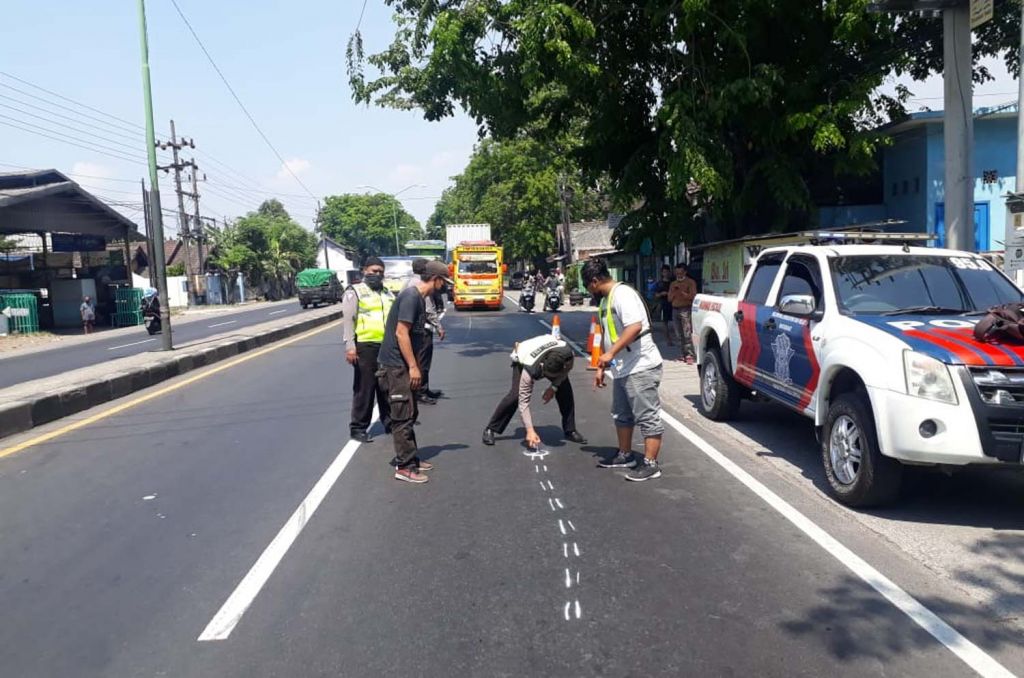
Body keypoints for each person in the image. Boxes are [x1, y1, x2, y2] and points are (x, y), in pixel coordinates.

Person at [583, 258, 665, 482]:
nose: (590, 291)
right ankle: (625, 455)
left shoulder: (623, 295)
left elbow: (635, 327)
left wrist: (610, 354)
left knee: (647, 415)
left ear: (596, 280)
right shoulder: (606, 300)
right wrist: (604, 364)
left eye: (589, 286)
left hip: (641, 364)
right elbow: (610, 335)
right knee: (621, 414)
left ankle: (650, 464)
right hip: (622, 367)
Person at [377, 260, 453, 484]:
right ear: (436, 280)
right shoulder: (411, 297)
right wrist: (412, 366)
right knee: (402, 415)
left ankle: (411, 458)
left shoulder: (419, 298)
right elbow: (401, 333)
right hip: (397, 365)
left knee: (411, 412)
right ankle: (404, 467)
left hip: (404, 365)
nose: (444, 287)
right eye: (443, 282)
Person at [482, 335, 588, 449]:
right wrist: (530, 430)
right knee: (516, 395)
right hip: (524, 354)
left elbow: (565, 371)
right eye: (547, 375)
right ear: (542, 366)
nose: (548, 377)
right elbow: (523, 403)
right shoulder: (530, 367)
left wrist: (553, 388)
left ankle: (570, 430)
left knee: (565, 389)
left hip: (549, 348)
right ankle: (490, 428)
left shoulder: (568, 355)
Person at [341, 256, 394, 443]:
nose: (377, 275)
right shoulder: (355, 291)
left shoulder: (387, 293)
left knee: (386, 387)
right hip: (365, 345)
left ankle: (389, 422)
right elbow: (349, 320)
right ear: (364, 271)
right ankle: (358, 428)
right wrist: (350, 347)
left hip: (386, 346)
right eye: (373, 271)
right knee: (365, 388)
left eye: (380, 272)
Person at [404, 258, 447, 403]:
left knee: (423, 362)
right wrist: (439, 326)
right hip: (421, 331)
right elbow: (429, 310)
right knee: (422, 362)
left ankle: (424, 388)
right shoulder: (420, 286)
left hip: (419, 330)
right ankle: (420, 392)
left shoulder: (410, 281)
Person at [667, 263, 697, 364]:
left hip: (686, 309)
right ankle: (682, 353)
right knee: (678, 334)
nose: (678, 275)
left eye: (680, 273)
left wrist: (684, 294)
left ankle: (689, 354)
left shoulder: (690, 282)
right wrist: (674, 292)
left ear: (685, 272)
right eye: (677, 273)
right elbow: (669, 299)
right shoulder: (673, 284)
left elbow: (693, 296)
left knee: (687, 332)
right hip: (675, 309)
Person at [653, 265, 675, 346]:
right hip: (664, 304)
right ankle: (668, 340)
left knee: (675, 321)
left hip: (673, 304)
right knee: (664, 323)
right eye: (664, 272)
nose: (666, 273)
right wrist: (662, 294)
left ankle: (677, 338)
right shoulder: (659, 283)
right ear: (662, 273)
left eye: (667, 272)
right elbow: (655, 295)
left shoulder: (673, 282)